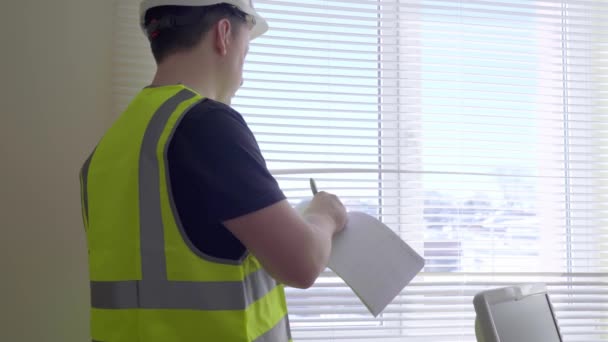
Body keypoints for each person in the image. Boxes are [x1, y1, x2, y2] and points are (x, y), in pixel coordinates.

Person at [78, 1, 347, 341]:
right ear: (223, 35)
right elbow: (302, 263)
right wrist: (325, 214)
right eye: (245, 53)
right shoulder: (204, 124)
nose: (242, 75)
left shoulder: (109, 147)